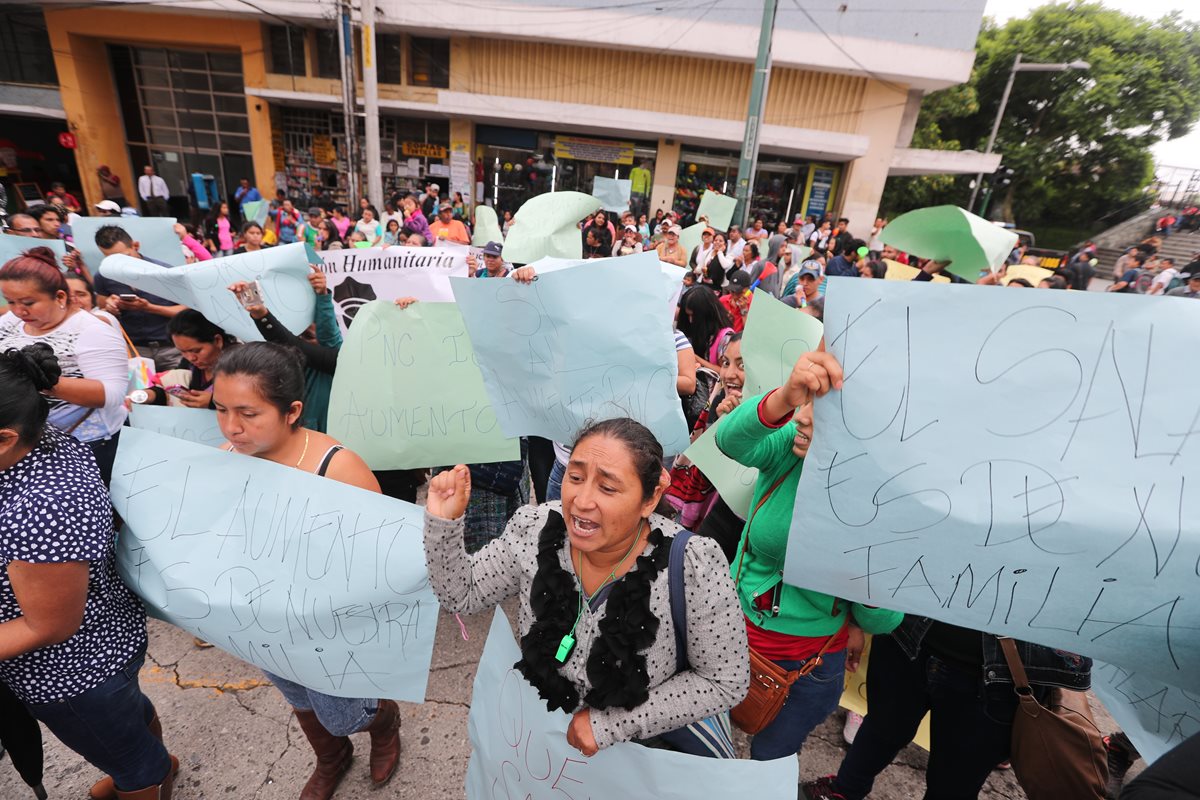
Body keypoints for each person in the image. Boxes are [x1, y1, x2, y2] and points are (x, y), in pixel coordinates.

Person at [423, 418, 749, 756]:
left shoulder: (693, 566)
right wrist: (443, 524)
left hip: (646, 753)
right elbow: (463, 593)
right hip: (545, 742)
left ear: (649, 499)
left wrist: (609, 726)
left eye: (607, 488)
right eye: (575, 477)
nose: (581, 501)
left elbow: (725, 681)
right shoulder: (533, 531)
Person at [210, 342, 401, 799]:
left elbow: (383, 559)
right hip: (265, 617)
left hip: (328, 623)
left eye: (248, 413)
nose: (231, 427)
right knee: (297, 695)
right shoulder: (225, 457)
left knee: (343, 710)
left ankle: (382, 719)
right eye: (220, 409)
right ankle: (331, 757)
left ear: (292, 410)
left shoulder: (338, 468)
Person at [0, 342, 177, 800]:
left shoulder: (41, 508)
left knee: (127, 756)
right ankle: (152, 764)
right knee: (129, 719)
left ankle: (146, 779)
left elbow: (49, 624)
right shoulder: (47, 441)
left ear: (5, 437)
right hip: (107, 638)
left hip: (71, 673)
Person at [716, 351, 901, 769]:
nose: (803, 417)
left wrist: (864, 572)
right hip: (727, 638)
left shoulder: (880, 498)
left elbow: (881, 621)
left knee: (769, 760)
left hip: (805, 668)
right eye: (807, 401)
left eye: (826, 413)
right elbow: (729, 440)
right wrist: (784, 395)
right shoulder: (788, 446)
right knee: (707, 746)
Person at [805, 627, 1090, 800]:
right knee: (880, 728)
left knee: (956, 781)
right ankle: (843, 790)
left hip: (1004, 676)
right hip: (907, 637)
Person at [0, 248, 128, 485]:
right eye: (11, 301)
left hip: (85, 441)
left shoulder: (91, 330)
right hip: (29, 442)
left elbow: (111, 394)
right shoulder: (12, 320)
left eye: (28, 302)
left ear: (60, 297)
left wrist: (46, 381)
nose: (18, 311)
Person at [226, 269, 342, 433]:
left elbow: (297, 340)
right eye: (300, 335)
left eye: (310, 334)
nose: (304, 341)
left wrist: (322, 295)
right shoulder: (277, 365)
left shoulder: (335, 359)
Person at [93, 225, 186, 371]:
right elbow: (102, 307)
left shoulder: (163, 272)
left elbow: (186, 310)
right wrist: (110, 307)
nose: (120, 264)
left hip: (171, 348)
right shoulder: (103, 276)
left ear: (135, 246)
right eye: (111, 259)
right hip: (134, 349)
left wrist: (149, 308)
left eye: (125, 257)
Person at [127, 310, 233, 410]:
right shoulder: (189, 365)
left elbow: (249, 399)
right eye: (183, 352)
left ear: (218, 341)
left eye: (196, 350)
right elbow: (172, 390)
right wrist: (149, 395)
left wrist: (213, 402)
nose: (191, 358)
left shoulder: (240, 365)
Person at [678, 284, 733, 371]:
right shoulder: (691, 328)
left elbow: (726, 371)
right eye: (688, 315)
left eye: (694, 316)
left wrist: (693, 357)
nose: (691, 320)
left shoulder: (725, 338)